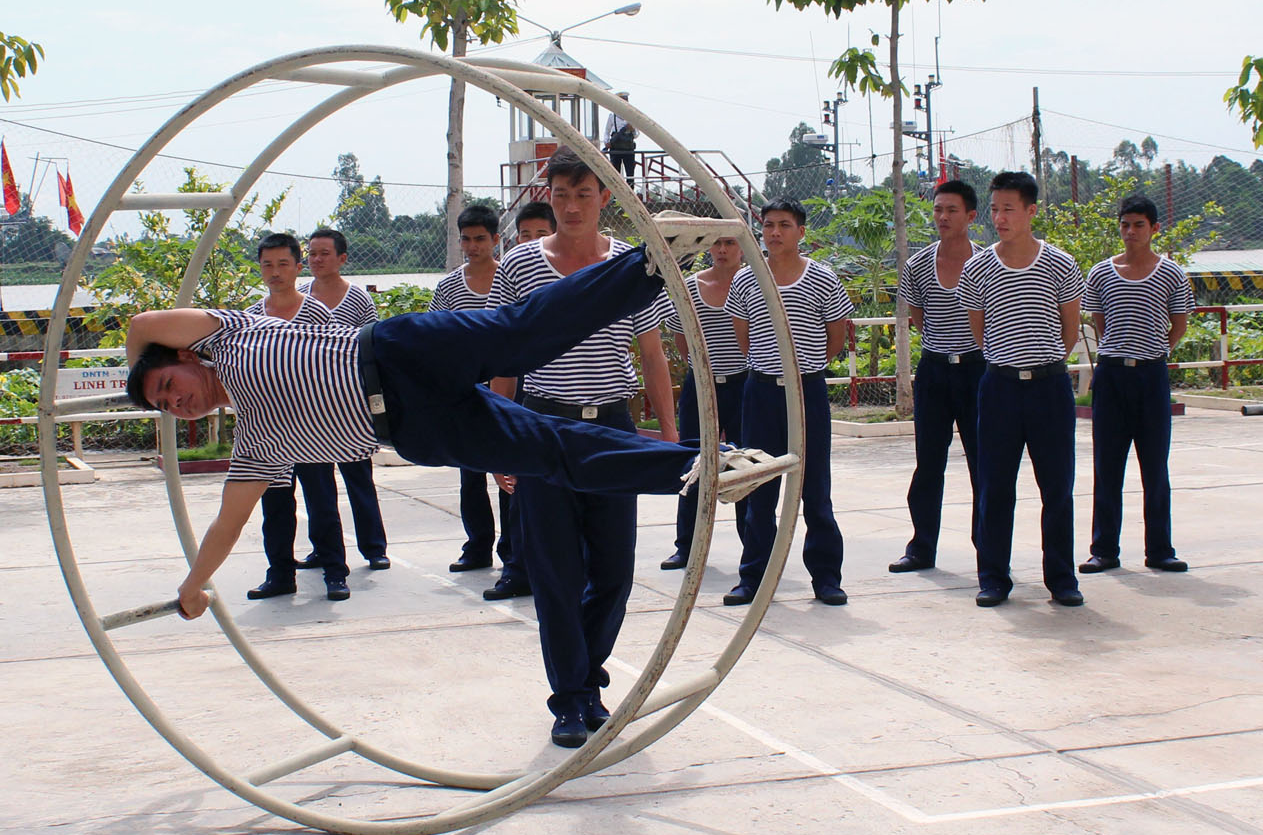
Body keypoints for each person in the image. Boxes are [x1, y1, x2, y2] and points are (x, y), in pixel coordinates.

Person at [124, 244, 723, 647]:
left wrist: (138, 370)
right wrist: (192, 582)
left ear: (184, 356)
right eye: (165, 408)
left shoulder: (228, 335)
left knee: (524, 335)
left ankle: (654, 261)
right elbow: (227, 524)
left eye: (169, 386)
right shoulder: (257, 441)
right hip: (414, 429)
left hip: (397, 354)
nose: (177, 403)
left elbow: (141, 327)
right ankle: (705, 466)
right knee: (549, 452)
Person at [487, 144, 678, 748]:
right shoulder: (519, 266)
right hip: (543, 428)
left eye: (583, 194)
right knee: (555, 574)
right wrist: (501, 441)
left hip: (612, 428)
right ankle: (570, 699)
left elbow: (652, 353)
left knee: (615, 571)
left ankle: (586, 678)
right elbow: (503, 356)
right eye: (560, 194)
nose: (571, 206)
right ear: (548, 196)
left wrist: (668, 434)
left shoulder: (632, 266)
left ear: (605, 198)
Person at [957, 171, 1085, 608]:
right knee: (995, 486)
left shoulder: (1060, 264)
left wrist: (1042, 363)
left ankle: (1062, 579)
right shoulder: (978, 267)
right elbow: (979, 332)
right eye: (994, 209)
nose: (1000, 217)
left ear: (1031, 211)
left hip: (1048, 388)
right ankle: (993, 576)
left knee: (1057, 488)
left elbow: (1070, 330)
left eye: (1009, 208)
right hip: (999, 387)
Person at [723, 199, 854, 607]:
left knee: (815, 489)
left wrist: (805, 370)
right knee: (758, 486)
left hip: (806, 392)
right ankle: (754, 578)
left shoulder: (822, 278)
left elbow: (836, 337)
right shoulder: (747, 280)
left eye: (784, 225)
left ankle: (827, 578)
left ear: (801, 232)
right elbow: (743, 336)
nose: (774, 232)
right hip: (760, 391)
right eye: (768, 225)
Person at [1079, 195, 1193, 576]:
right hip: (1112, 377)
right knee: (1107, 466)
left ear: (1154, 228)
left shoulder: (1171, 273)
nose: (1131, 232)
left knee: (1154, 467)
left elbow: (1178, 324)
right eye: (1125, 224)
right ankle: (1104, 549)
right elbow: (1100, 321)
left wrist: (1153, 351)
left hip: (1151, 376)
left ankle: (1160, 550)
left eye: (1139, 225)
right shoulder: (1100, 273)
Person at [242, 234, 347, 601]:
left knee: (321, 500)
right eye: (267, 265)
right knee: (276, 506)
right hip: (269, 431)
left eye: (283, 264)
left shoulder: (317, 312)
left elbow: (332, 365)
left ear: (297, 267)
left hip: (311, 425)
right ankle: (280, 574)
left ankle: (335, 572)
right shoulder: (252, 317)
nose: (275, 272)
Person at [891, 180, 984, 575]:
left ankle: (989, 547)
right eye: (938, 210)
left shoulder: (987, 263)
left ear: (971, 216)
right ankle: (921, 547)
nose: (943, 218)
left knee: (985, 464)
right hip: (934, 371)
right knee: (929, 463)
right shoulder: (918, 265)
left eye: (952, 211)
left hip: (979, 370)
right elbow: (918, 318)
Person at [296, 228, 391, 576]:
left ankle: (374, 548)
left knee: (359, 479)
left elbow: (373, 348)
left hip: (350, 405)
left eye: (324, 253)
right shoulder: (297, 296)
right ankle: (323, 549)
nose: (317, 260)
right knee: (317, 485)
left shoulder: (358, 300)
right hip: (308, 407)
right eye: (312, 253)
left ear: (342, 258)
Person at [430, 206, 515, 576]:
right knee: (471, 474)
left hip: (510, 384)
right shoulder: (449, 286)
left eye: (481, 238)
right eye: (466, 239)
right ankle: (477, 546)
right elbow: (436, 334)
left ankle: (514, 549)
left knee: (511, 470)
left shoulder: (511, 279)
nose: (473, 245)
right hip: (466, 388)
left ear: (496, 239)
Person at [482, 200, 556, 602]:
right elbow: (503, 358)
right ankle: (515, 567)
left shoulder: (572, 282)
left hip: (559, 393)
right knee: (515, 486)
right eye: (524, 235)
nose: (531, 243)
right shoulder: (514, 282)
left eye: (540, 235)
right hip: (522, 384)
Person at [661, 234, 748, 570]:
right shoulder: (689, 286)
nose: (722, 250)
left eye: (729, 243)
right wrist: (702, 370)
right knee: (693, 465)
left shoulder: (755, 284)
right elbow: (681, 337)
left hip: (744, 385)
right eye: (717, 243)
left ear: (742, 247)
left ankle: (753, 549)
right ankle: (687, 546)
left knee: (746, 465)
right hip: (701, 386)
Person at [601, 91, 637, 192]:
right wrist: (606, 142)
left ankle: (631, 193)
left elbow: (636, 134)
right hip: (616, 149)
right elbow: (607, 131)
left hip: (628, 149)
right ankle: (616, 195)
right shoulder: (612, 116)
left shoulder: (632, 115)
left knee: (630, 173)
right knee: (616, 173)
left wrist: (632, 129)